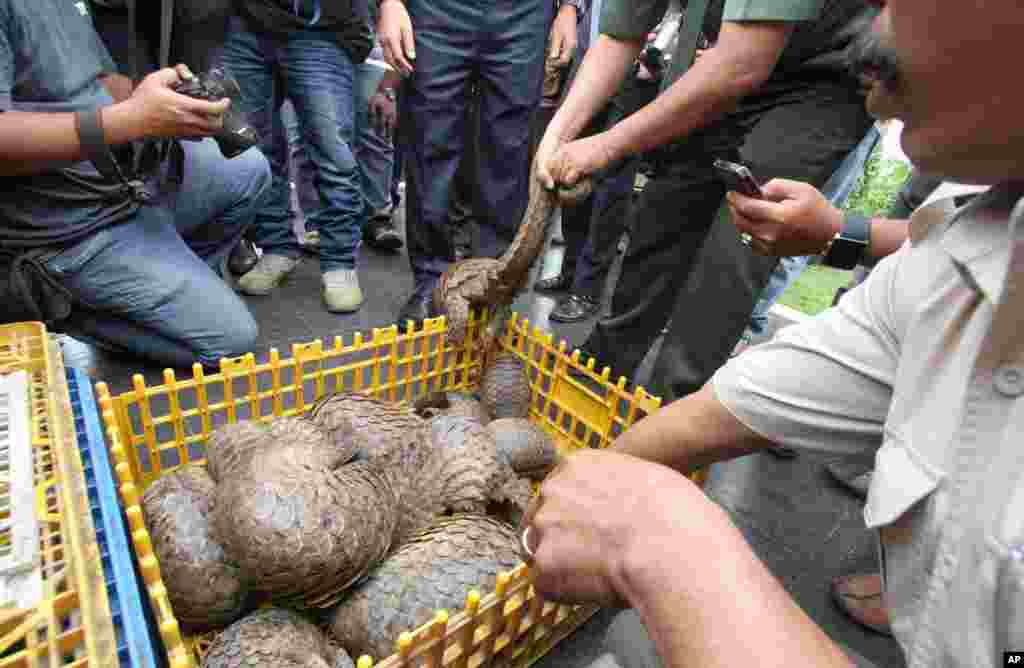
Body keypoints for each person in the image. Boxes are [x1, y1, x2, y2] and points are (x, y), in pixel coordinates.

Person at [519, 1, 1024, 665]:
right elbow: (731, 408)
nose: (876, 29)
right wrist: (585, 484)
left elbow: (739, 64)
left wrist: (666, 547)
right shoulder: (961, 249)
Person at [536, 0, 874, 407]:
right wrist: (557, 137)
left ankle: (670, 412)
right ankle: (598, 371)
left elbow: (740, 65)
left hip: (825, 74)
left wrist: (605, 146)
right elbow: (618, 36)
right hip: (725, 56)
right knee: (663, 209)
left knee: (739, 242)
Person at [0, 0, 270, 369]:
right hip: (64, 224)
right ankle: (55, 302)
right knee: (228, 341)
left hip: (119, 180)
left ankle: (158, 287)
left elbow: (94, 81)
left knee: (248, 171)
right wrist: (131, 120)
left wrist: (160, 95)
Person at [380, 0, 586, 323]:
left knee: (508, 151)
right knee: (428, 141)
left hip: (526, 11)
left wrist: (570, 7)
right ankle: (433, 281)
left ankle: (488, 285)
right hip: (436, 9)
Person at [220, 0, 372, 313]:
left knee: (334, 150)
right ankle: (277, 247)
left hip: (320, 25)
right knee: (254, 146)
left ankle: (339, 263)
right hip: (244, 22)